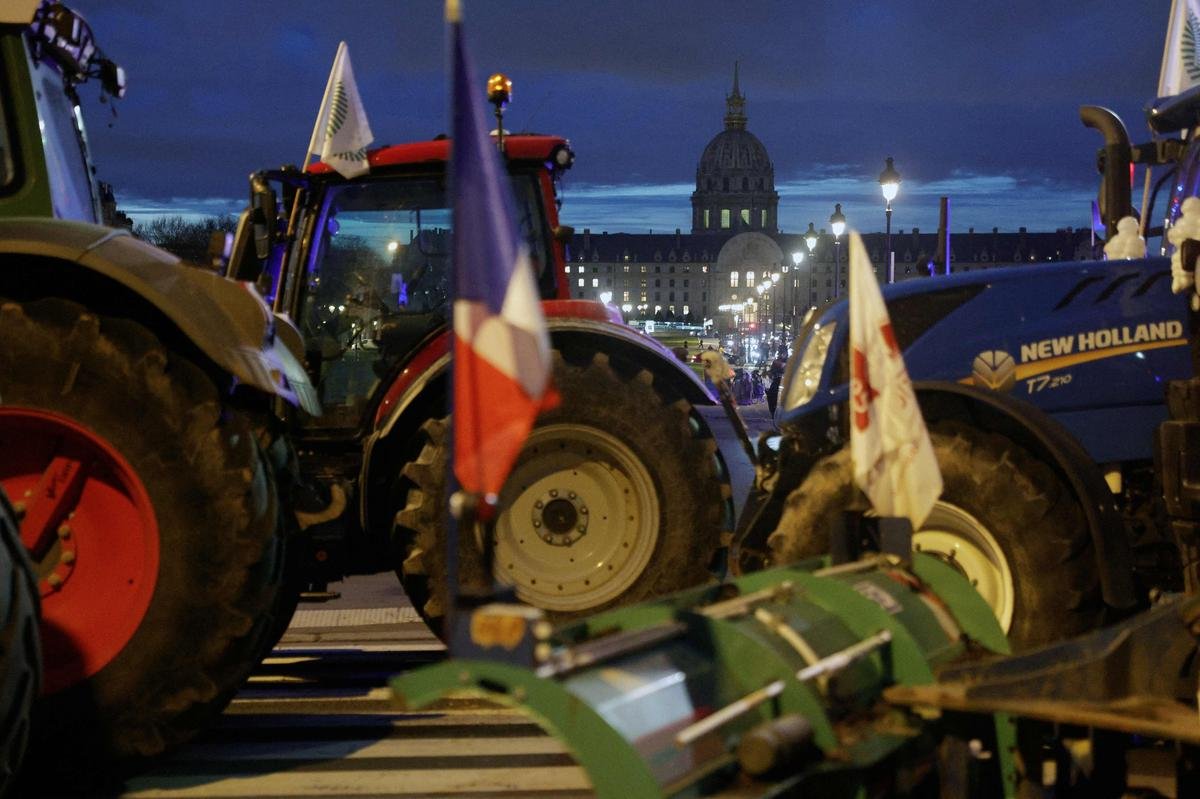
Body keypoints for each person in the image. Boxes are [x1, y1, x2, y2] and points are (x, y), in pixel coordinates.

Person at [767, 345, 787, 416]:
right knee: (770, 395)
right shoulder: (776, 361)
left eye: (782, 352)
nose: (781, 354)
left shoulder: (790, 361)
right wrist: (769, 373)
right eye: (780, 352)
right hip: (777, 381)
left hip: (786, 383)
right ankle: (773, 411)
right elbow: (771, 372)